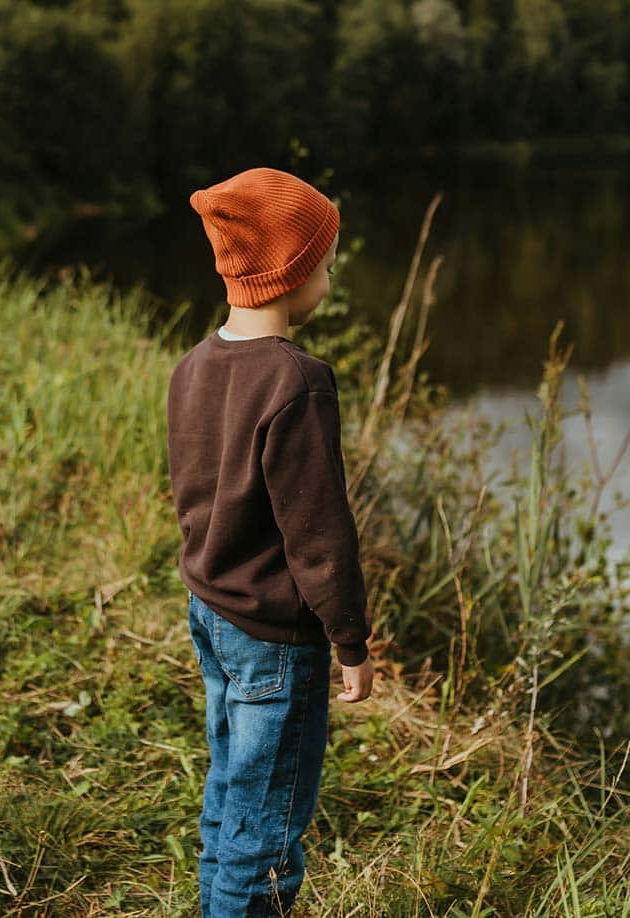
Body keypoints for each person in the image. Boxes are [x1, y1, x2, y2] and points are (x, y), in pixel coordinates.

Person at [167, 166, 374, 917]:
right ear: (293, 270)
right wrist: (350, 639)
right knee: (268, 832)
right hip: (276, 639)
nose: (329, 271)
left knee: (233, 786)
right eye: (325, 258)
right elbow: (320, 534)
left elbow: (194, 495)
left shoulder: (193, 366)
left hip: (213, 612)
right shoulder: (297, 382)